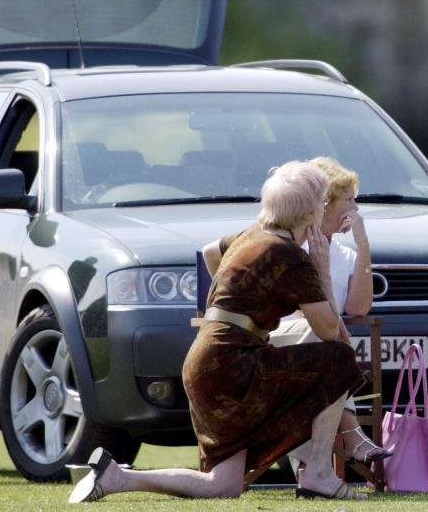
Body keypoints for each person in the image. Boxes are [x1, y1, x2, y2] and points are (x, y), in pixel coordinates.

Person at [69, 161, 365, 503]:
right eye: (321, 203)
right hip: (234, 366)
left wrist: (239, 308)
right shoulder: (291, 258)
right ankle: (318, 472)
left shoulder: (250, 236)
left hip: (205, 362)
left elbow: (210, 252)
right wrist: (323, 271)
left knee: (221, 485)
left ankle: (117, 477)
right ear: (310, 212)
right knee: (339, 359)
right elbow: (332, 334)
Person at [263, 158, 388, 470]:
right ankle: (351, 439)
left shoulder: (344, 255)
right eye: (350, 199)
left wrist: (363, 243)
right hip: (281, 348)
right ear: (326, 204)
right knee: (330, 348)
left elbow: (359, 308)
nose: (355, 208)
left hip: (320, 350)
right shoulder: (293, 247)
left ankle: (318, 465)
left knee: (329, 350)